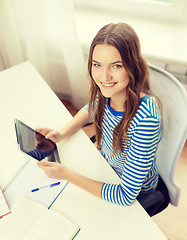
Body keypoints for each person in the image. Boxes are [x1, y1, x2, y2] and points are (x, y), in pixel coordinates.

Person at [36, 22, 163, 208]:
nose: (104, 76)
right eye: (97, 64)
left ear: (132, 66)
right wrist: (61, 133)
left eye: (116, 66)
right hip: (106, 168)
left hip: (131, 192)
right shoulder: (108, 93)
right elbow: (92, 108)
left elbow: (125, 196)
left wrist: (66, 174)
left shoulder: (146, 120)